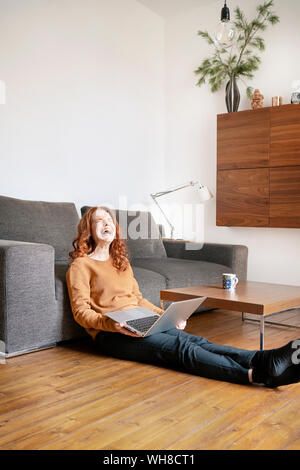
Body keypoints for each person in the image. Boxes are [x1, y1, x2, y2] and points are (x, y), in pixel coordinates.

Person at [66, 206, 300, 388]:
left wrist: (164, 316)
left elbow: (137, 299)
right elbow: (81, 312)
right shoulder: (81, 266)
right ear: (89, 230)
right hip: (112, 334)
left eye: (109, 219)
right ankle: (256, 375)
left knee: (196, 341)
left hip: (142, 319)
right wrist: (111, 324)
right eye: (99, 220)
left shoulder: (121, 262)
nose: (106, 223)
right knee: (179, 348)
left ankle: (262, 358)